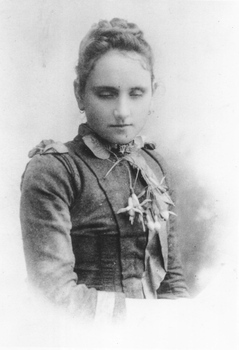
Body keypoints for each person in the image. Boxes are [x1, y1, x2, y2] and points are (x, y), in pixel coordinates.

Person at [20, 18, 189, 323]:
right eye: (106, 93)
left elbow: (172, 282)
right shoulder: (55, 171)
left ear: (153, 92)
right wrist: (149, 321)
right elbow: (51, 295)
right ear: (80, 93)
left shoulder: (154, 166)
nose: (123, 112)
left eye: (136, 93)